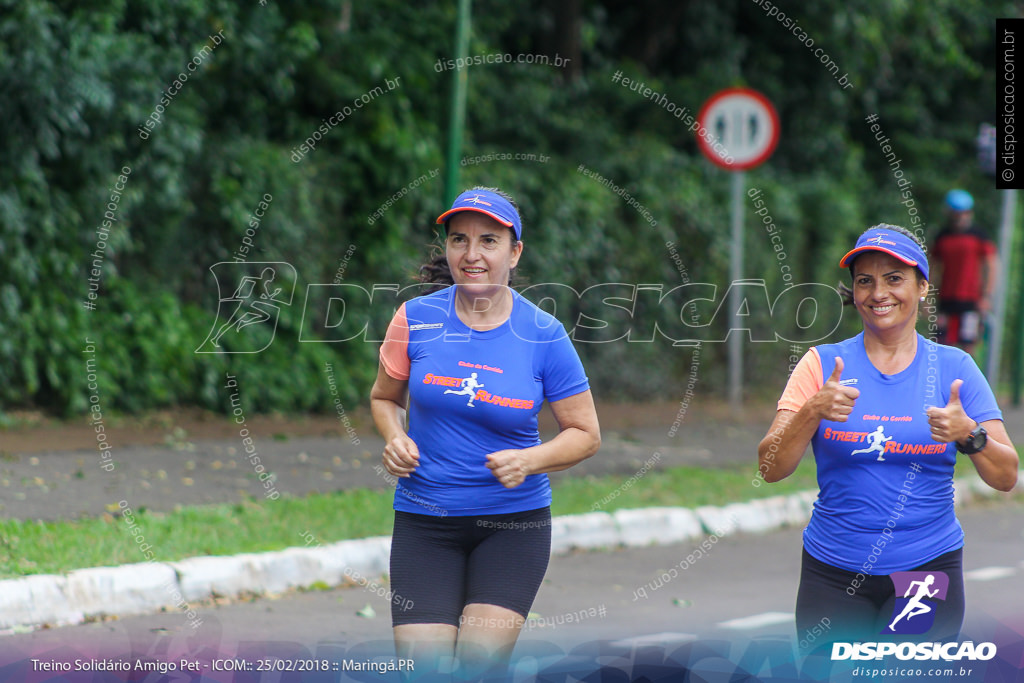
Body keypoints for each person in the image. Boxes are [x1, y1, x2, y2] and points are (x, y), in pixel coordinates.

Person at [370, 187, 601, 678]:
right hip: (425, 521)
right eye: (459, 240)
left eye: (489, 241)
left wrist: (531, 460)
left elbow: (585, 433)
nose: (472, 254)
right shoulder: (415, 318)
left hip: (512, 526)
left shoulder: (544, 334)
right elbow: (384, 398)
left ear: (514, 252)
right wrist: (394, 437)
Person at [757, 224, 1017, 652]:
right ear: (854, 292)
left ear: (923, 288)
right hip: (833, 571)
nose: (879, 293)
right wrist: (812, 412)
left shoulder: (956, 369)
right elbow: (769, 469)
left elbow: (1007, 476)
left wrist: (970, 435)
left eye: (894, 278)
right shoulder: (821, 364)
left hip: (925, 571)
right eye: (865, 281)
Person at [930, 189, 998, 356]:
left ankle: (966, 381)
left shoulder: (979, 236)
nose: (960, 216)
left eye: (964, 212)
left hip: (971, 300)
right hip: (945, 299)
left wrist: (986, 296)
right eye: (956, 213)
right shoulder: (942, 237)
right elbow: (933, 267)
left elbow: (991, 265)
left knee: (968, 344)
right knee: (940, 342)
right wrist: (928, 299)